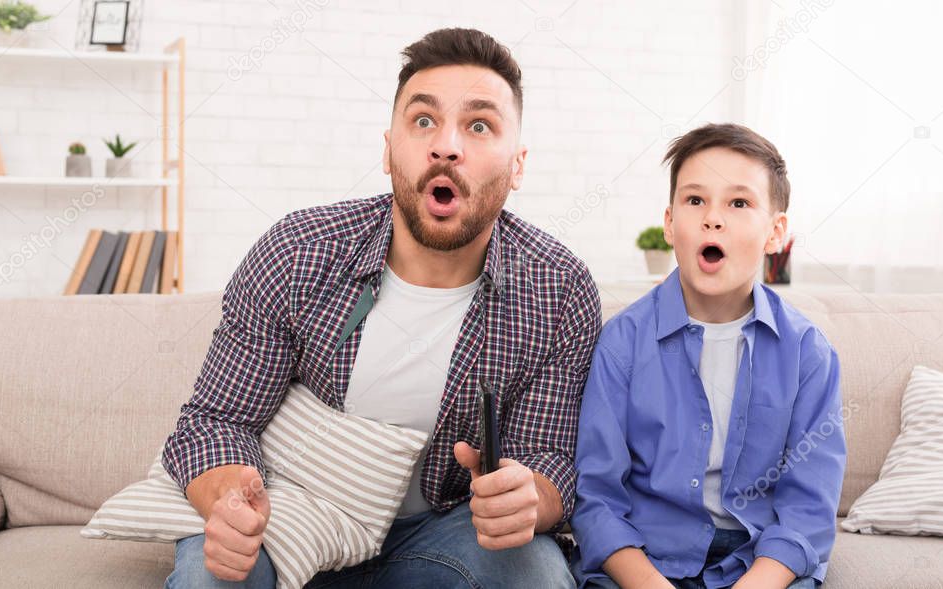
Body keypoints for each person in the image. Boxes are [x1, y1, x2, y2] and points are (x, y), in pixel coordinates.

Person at [162, 27, 601, 589]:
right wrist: (231, 502)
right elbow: (216, 420)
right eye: (423, 121)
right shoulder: (297, 253)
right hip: (292, 518)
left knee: (534, 573)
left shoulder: (557, 288)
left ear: (517, 165)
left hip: (446, 535)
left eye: (479, 125)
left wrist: (530, 498)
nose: (446, 146)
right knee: (211, 578)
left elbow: (550, 456)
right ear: (389, 151)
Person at [569, 123, 846, 589]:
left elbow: (807, 510)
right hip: (646, 558)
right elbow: (596, 499)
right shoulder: (622, 342)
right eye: (695, 200)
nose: (712, 218)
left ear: (775, 232)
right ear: (669, 222)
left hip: (756, 559)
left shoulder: (808, 353)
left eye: (739, 203)